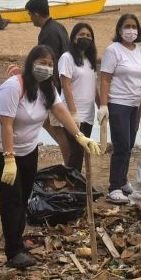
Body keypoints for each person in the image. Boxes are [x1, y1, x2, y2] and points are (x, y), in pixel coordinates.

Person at [0, 45, 100, 268]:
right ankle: (13, 253)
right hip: (2, 151)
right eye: (41, 63)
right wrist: (9, 158)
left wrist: (79, 136)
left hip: (28, 149)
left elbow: (60, 111)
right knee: (11, 199)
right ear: (30, 63)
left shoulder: (47, 87)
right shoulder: (13, 87)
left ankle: (18, 240)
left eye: (50, 64)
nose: (45, 68)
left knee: (24, 196)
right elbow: (6, 124)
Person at [98, 14, 141, 203]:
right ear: (120, 29)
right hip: (118, 103)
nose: (131, 30)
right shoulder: (113, 50)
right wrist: (103, 105)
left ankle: (123, 181)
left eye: (134, 26)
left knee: (129, 145)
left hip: (135, 105)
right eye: (127, 26)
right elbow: (105, 78)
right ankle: (114, 187)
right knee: (121, 145)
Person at [25, 0, 73, 164]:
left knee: (56, 127)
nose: (30, 18)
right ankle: (70, 160)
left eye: (30, 14)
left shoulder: (47, 33)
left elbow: (48, 61)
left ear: (37, 14)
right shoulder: (58, 27)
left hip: (55, 85)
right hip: (61, 82)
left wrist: (47, 87)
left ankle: (69, 164)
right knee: (50, 123)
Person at [59, 23, 98, 171]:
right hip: (72, 114)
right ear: (74, 38)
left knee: (81, 152)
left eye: (88, 35)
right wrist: (73, 114)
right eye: (81, 35)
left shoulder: (89, 61)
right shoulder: (67, 58)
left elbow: (93, 87)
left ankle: (76, 181)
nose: (85, 38)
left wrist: (102, 107)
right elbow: (66, 86)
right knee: (75, 153)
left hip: (88, 115)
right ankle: (72, 182)